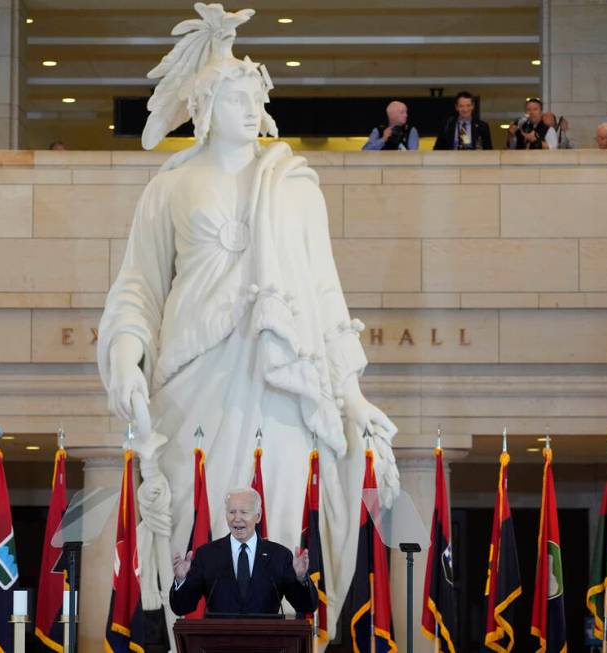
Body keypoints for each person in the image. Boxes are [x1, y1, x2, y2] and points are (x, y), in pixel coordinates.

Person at [98, 3, 398, 640]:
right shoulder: (169, 188)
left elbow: (324, 294)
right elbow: (138, 287)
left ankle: (287, 630)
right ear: (205, 107)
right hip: (191, 376)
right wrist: (125, 352)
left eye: (255, 95)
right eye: (235, 94)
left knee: (283, 503)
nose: (249, 105)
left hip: (280, 372)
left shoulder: (293, 184)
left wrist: (350, 392)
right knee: (186, 511)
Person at [169, 488, 317, 616]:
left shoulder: (279, 556)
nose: (237, 519)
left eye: (244, 512)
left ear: (257, 516)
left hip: (266, 643)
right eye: (232, 512)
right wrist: (181, 580)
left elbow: (306, 606)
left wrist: (301, 578)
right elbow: (182, 607)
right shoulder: (207, 555)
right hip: (219, 643)